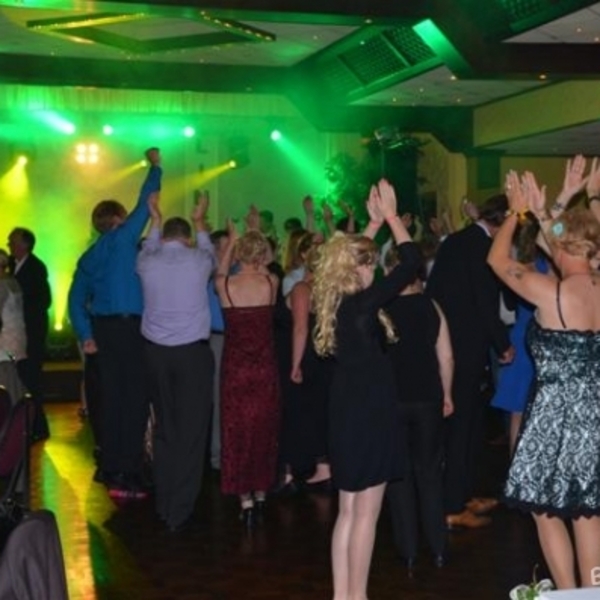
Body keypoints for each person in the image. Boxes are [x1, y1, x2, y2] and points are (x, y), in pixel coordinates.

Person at [488, 168, 600, 589]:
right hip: (595, 413)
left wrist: (516, 213)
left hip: (554, 415)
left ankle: (569, 594)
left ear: (564, 247)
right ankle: (593, 593)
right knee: (588, 512)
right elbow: (559, 239)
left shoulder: (550, 292)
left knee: (545, 509)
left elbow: (497, 260)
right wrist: (553, 204)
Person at [312, 179, 420, 600]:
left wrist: (371, 225)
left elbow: (345, 254)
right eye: (369, 263)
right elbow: (411, 263)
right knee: (366, 513)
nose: (374, 268)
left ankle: (344, 596)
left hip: (345, 407)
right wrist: (392, 218)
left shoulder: (335, 301)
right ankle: (357, 596)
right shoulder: (361, 304)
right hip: (370, 409)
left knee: (349, 510)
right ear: (356, 267)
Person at [68, 147, 162, 498]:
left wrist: (86, 334)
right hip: (130, 330)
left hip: (104, 332)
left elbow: (74, 300)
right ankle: (131, 471)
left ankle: (112, 469)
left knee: (111, 401)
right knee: (135, 400)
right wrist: (156, 167)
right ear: (119, 220)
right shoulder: (124, 240)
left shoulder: (88, 256)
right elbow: (146, 202)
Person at [426, 193, 514, 528]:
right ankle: (452, 505)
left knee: (469, 425)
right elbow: (484, 301)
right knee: (461, 427)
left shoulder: (457, 240)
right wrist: (502, 343)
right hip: (466, 347)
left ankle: (463, 494)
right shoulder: (481, 246)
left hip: (450, 342)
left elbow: (435, 292)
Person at [136, 192, 215, 533]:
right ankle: (180, 509)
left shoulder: (147, 261)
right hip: (192, 355)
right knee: (192, 432)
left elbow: (149, 246)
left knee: (165, 428)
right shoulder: (198, 261)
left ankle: (164, 502)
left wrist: (154, 220)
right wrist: (201, 221)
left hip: (155, 354)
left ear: (165, 236)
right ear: (187, 237)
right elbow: (209, 250)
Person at [383, 247, 454, 570]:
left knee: (399, 476)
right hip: (428, 397)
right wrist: (447, 394)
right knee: (430, 473)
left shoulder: (381, 308)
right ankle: (438, 547)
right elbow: (446, 357)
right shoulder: (431, 306)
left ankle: (408, 550)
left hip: (393, 400)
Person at [215, 219, 280, 527]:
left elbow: (220, 272)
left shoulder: (225, 285)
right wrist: (257, 238)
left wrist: (232, 241)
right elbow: (268, 264)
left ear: (239, 253)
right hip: (265, 368)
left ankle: (246, 501)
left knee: (237, 431)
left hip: (235, 370)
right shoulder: (271, 283)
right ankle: (262, 492)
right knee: (264, 429)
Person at [8, 227, 52, 440]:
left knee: (31, 379)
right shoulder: (12, 265)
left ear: (25, 245)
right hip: (17, 333)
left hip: (30, 334)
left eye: (13, 242)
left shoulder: (36, 268)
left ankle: (37, 426)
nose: (10, 245)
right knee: (21, 378)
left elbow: (43, 301)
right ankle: (25, 425)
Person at [0, 249, 27, 404]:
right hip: (17, 338)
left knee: (5, 381)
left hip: (4, 340)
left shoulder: (1, 285)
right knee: (14, 380)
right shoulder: (13, 282)